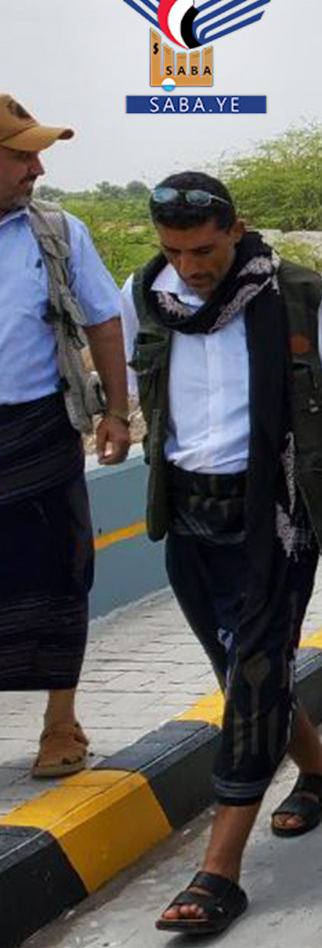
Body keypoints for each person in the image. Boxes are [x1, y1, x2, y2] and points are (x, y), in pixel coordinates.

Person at [123, 172, 322, 935]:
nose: (192, 266)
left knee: (259, 670)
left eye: (204, 250)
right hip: (190, 513)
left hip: (278, 514)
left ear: (236, 229)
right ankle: (321, 772)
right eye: (175, 250)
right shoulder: (153, 296)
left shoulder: (298, 295)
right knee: (239, 673)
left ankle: (219, 871)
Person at [0, 94, 131, 780]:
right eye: (22, 154)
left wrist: (116, 410)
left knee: (59, 573)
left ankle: (61, 723)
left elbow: (106, 320)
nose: (37, 167)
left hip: (41, 428)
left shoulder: (56, 232)